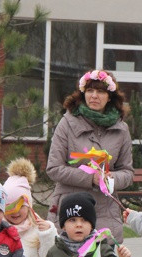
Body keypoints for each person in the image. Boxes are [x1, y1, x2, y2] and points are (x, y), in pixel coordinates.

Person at [45, 69, 134, 242]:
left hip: (104, 211)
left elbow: (128, 173)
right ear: (83, 93)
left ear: (110, 96)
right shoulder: (67, 123)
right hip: (70, 208)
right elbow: (53, 168)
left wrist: (111, 178)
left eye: (100, 91)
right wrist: (90, 177)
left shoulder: (121, 129)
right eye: (90, 91)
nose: (94, 96)